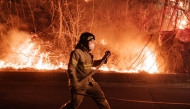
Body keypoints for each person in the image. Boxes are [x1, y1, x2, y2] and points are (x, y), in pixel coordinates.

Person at [60, 32, 111, 109]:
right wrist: (75, 83)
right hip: (79, 83)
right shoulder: (77, 53)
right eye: (91, 42)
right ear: (84, 42)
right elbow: (71, 69)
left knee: (101, 99)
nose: (93, 44)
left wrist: (102, 60)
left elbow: (92, 64)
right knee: (74, 104)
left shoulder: (88, 54)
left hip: (90, 82)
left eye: (93, 42)